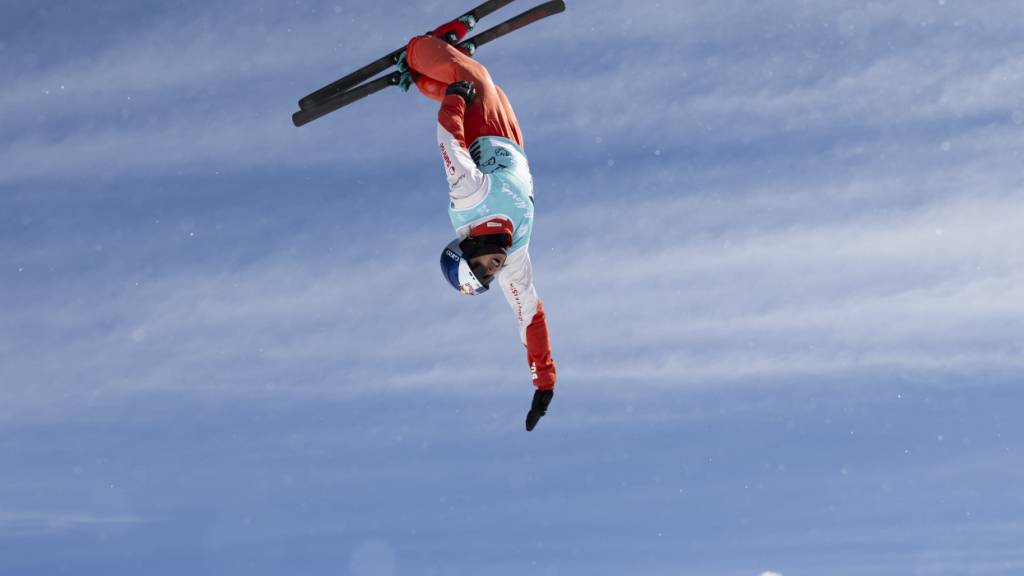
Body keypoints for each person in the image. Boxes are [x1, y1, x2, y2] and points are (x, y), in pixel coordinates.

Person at [400, 18, 556, 431]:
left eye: (483, 267)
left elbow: (448, 140)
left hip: (478, 132)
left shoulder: (470, 199)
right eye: (490, 275)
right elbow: (530, 319)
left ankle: (419, 47)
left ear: (468, 250)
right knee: (489, 85)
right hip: (512, 142)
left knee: (472, 77)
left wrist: (453, 100)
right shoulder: (516, 256)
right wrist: (544, 383)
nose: (496, 268)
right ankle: (423, 75)